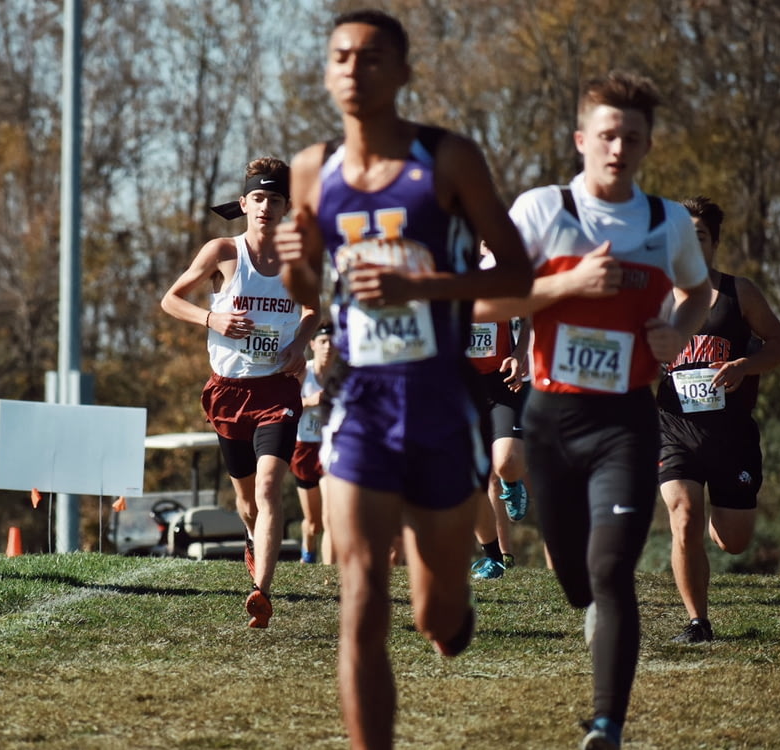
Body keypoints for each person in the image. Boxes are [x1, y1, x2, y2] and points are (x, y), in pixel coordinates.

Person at [276, 10, 532, 748]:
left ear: (405, 71)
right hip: (361, 404)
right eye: (341, 56)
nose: (355, 68)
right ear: (327, 73)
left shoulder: (448, 158)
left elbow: (514, 277)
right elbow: (306, 290)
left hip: (444, 405)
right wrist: (297, 257)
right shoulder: (309, 169)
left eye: (373, 56)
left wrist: (419, 290)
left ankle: (453, 608)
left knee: (436, 620)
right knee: (360, 599)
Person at [475, 71, 712, 750]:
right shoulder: (542, 210)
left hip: (625, 425)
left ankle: (606, 723)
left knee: (612, 571)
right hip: (549, 418)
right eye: (607, 135)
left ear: (646, 145)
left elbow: (695, 293)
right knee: (577, 579)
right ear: (583, 140)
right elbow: (486, 306)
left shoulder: (667, 222)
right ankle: (589, 607)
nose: (618, 148)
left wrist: (676, 332)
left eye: (631, 137)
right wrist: (567, 284)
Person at [161, 156, 320, 629]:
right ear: (245, 203)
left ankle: (262, 592)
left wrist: (300, 342)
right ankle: (253, 539)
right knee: (248, 501)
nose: (266, 207)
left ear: (287, 206)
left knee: (272, 486)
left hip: (278, 390)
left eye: (275, 199)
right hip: (229, 392)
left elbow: (313, 309)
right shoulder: (222, 252)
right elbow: (170, 300)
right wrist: (214, 319)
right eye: (259, 198)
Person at [656, 196, 780, 644]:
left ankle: (718, 520)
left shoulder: (739, 291)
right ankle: (698, 622)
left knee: (733, 541)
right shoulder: (654, 298)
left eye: (700, 235)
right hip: (674, 430)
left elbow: (777, 343)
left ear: (713, 242)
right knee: (683, 515)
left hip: (731, 437)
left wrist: (746, 366)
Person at [467, 248, 532, 580]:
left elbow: (529, 313)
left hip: (500, 380)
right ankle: (492, 556)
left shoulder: (503, 268)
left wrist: (520, 353)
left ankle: (512, 480)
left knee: (505, 461)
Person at [291, 322, 336, 564]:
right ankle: (307, 554)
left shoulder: (343, 374)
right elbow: (283, 408)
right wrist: (309, 401)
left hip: (332, 449)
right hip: (304, 449)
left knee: (331, 519)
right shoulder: (303, 372)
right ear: (312, 344)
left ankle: (330, 576)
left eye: (332, 341)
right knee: (315, 523)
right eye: (323, 342)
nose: (328, 347)